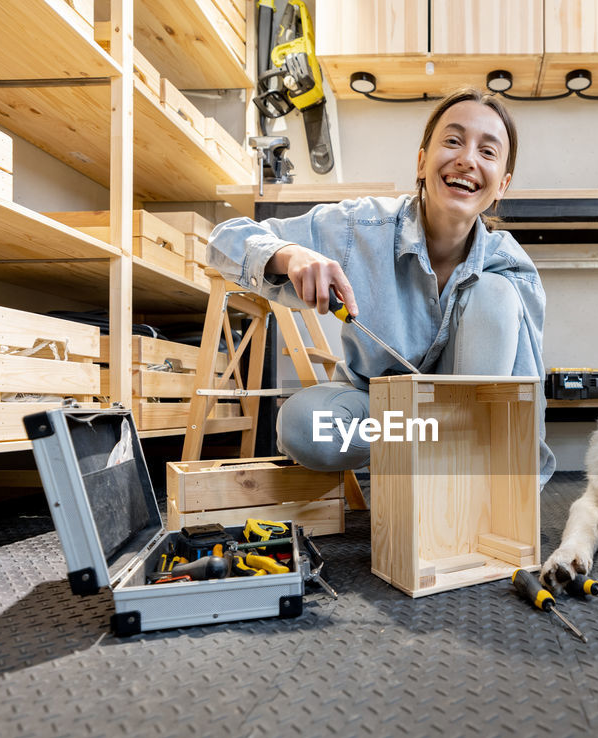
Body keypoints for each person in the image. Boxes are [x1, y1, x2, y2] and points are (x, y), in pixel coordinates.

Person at [207, 87, 555, 485]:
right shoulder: (363, 227)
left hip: (470, 425)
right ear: (422, 162)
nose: (467, 159)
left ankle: (451, 476)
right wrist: (290, 254)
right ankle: (434, 457)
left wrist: (520, 489)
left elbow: (527, 400)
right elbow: (223, 241)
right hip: (382, 417)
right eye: (453, 141)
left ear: (503, 185)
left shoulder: (512, 267)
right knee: (305, 426)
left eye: (487, 152)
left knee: (495, 293)